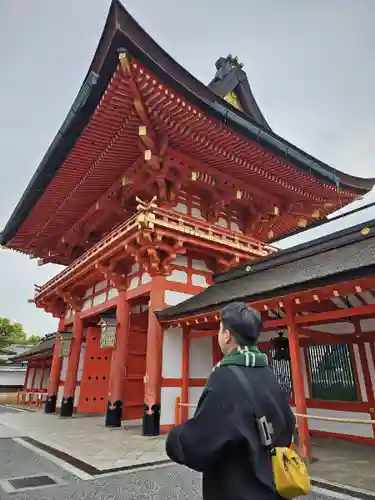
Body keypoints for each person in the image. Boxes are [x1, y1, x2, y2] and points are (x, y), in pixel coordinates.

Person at [166, 301, 296, 500]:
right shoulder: (266, 372)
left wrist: (175, 438)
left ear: (226, 335)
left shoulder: (224, 378)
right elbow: (288, 422)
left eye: (220, 329)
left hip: (235, 489)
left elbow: (200, 443)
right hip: (271, 487)